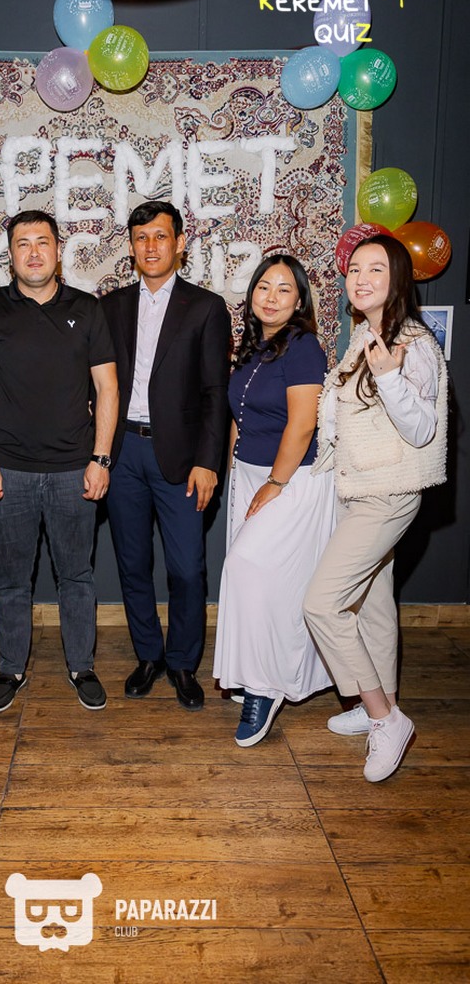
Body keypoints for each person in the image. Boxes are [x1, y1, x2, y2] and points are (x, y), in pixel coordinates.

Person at [0, 209, 119, 712]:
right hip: (7, 472)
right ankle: (11, 668)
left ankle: (82, 666)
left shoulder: (87, 309)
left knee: (77, 576)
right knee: (11, 581)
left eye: (42, 242)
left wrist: (102, 459)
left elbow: (108, 388)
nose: (33, 252)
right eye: (23, 243)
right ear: (10, 255)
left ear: (58, 250)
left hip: (76, 469)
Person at [303, 234, 447, 783]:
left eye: (375, 270)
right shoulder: (367, 334)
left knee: (322, 605)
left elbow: (422, 428)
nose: (360, 279)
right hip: (358, 488)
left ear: (398, 279)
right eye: (354, 270)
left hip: (388, 494)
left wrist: (388, 375)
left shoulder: (413, 343)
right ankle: (377, 704)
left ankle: (386, 718)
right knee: (373, 606)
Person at [101, 201, 231, 711]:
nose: (150, 246)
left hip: (181, 457)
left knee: (187, 569)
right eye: (141, 238)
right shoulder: (110, 306)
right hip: (123, 452)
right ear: (131, 246)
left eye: (160, 236)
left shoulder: (206, 308)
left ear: (179, 243)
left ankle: (182, 662)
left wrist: (208, 461)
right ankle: (149, 656)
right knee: (133, 564)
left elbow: (216, 393)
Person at [213, 255, 335, 746]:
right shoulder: (252, 348)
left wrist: (275, 483)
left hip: (292, 480)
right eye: (264, 286)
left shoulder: (304, 348)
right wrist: (233, 470)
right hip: (250, 475)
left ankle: (265, 691)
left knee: (249, 570)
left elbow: (303, 424)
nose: (271, 297)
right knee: (259, 586)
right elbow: (239, 417)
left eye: (285, 289)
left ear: (299, 300)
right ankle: (253, 674)